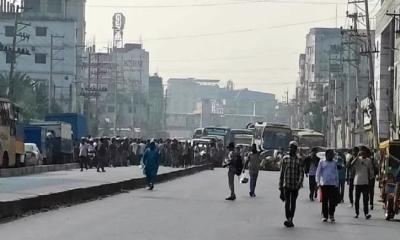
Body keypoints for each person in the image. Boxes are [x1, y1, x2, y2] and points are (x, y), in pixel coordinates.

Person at [279, 141, 304, 228]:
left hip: (295, 186)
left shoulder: (299, 160)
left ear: (296, 149)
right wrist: (280, 187)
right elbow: (282, 174)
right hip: (286, 185)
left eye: (292, 148)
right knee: (287, 202)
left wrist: (299, 183)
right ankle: (288, 218)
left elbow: (301, 173)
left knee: (293, 202)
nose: (290, 149)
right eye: (289, 148)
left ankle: (291, 219)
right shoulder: (285, 159)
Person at [316, 149, 339, 223]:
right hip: (324, 184)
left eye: (332, 154)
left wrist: (337, 183)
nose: (331, 156)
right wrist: (318, 182)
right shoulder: (322, 161)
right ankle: (325, 216)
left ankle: (331, 215)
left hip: (332, 184)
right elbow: (318, 173)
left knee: (332, 201)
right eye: (330, 154)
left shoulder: (334, 162)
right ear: (326, 155)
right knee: (325, 201)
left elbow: (336, 173)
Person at [351, 146, 374, 219]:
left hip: (365, 182)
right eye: (362, 152)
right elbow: (351, 164)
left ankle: (366, 213)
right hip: (357, 182)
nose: (363, 153)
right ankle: (356, 213)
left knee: (365, 199)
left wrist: (371, 177)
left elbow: (371, 170)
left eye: (365, 152)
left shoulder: (369, 160)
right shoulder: (357, 159)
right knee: (357, 199)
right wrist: (357, 156)